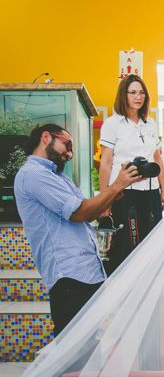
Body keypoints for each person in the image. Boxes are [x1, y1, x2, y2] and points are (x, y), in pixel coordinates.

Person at [14, 124, 140, 337]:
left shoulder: (59, 177)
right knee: (71, 357)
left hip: (86, 272)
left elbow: (88, 212)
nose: (70, 153)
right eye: (67, 145)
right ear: (46, 137)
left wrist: (111, 194)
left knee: (88, 349)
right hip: (69, 277)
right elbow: (79, 213)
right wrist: (116, 184)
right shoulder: (33, 175)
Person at [99, 74, 164, 274]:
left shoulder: (150, 123)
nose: (138, 97)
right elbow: (106, 162)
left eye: (142, 93)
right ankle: (127, 293)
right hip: (125, 194)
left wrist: (162, 190)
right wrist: (105, 199)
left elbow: (158, 158)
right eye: (133, 92)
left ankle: (149, 289)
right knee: (129, 245)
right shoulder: (112, 124)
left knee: (153, 243)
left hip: (151, 191)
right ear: (124, 95)